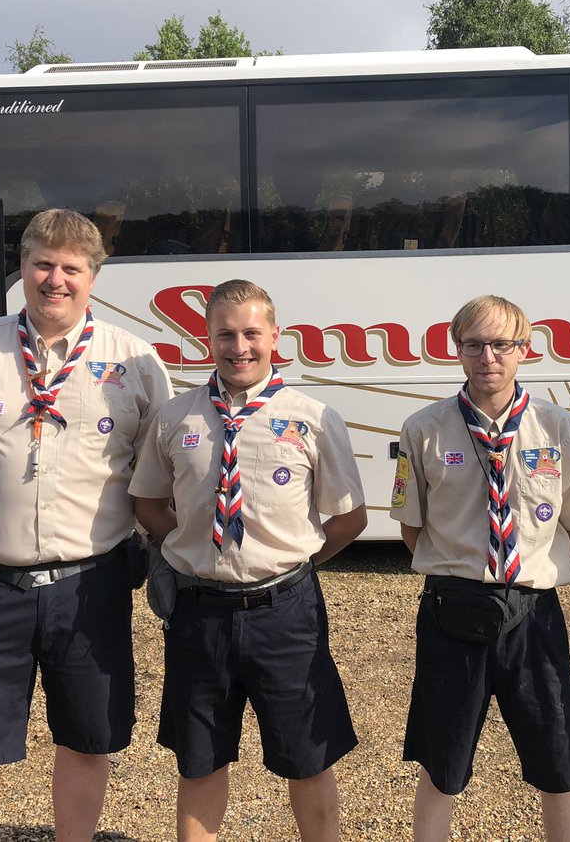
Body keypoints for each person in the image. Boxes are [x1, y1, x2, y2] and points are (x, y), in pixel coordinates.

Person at [0, 208, 173, 842]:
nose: (56, 279)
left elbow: (157, 465)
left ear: (93, 277)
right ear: (23, 267)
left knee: (88, 740)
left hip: (93, 586)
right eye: (42, 264)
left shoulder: (136, 362)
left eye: (72, 268)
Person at [130, 279, 366, 842]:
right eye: (226, 334)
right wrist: (188, 544)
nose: (240, 346)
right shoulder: (175, 417)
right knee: (199, 759)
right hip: (198, 614)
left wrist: (294, 562)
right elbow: (146, 502)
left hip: (287, 614)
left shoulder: (312, 417)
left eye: (251, 333)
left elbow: (349, 519)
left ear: (275, 335)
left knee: (308, 756)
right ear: (206, 338)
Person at [390, 295, 570, 842]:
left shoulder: (556, 426)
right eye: (474, 344)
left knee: (556, 757)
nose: (487, 356)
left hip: (534, 616)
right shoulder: (423, 428)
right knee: (440, 761)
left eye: (501, 344)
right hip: (451, 613)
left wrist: (529, 576)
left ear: (525, 350)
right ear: (457, 351)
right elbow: (411, 526)